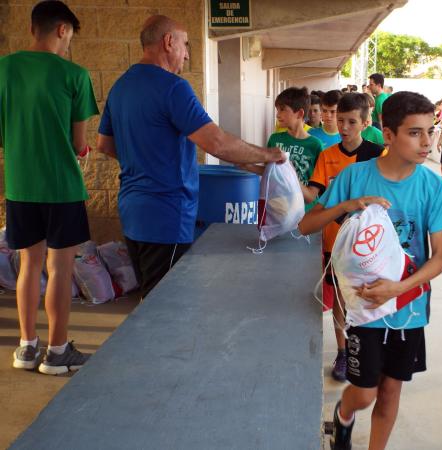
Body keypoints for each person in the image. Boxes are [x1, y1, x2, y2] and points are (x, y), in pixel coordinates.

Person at [299, 91, 442, 450]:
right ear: (388, 135)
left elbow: (440, 257)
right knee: (366, 392)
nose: (427, 142)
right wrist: (349, 204)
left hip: (409, 310)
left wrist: (399, 289)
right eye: (415, 132)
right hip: (363, 308)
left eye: (430, 131)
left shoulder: (431, 185)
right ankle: (344, 414)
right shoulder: (355, 176)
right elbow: (306, 226)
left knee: (390, 391)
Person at [97, 15, 284, 300]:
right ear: (168, 42)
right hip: (166, 215)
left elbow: (105, 145)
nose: (186, 54)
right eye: (185, 45)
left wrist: (145, 159)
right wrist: (268, 154)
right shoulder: (173, 87)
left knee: (149, 303)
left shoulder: (120, 86)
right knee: (166, 309)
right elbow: (217, 143)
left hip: (133, 211)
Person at [0, 1, 98, 374]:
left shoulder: (3, 69)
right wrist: (80, 148)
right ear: (62, 29)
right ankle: (57, 352)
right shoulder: (74, 75)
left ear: (31, 29)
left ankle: (26, 348)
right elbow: (78, 144)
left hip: (20, 186)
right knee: (59, 268)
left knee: (29, 264)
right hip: (61, 188)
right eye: (70, 34)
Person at [301, 93, 384, 382]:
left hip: (371, 244)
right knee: (340, 297)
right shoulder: (327, 156)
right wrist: (285, 177)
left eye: (351, 121)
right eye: (340, 120)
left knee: (370, 294)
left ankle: (369, 347)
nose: (344, 126)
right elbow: (313, 193)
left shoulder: (378, 155)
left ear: (364, 122)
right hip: (335, 243)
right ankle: (342, 351)